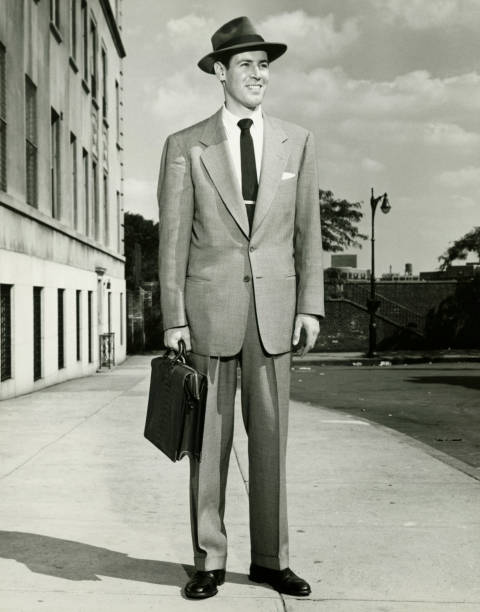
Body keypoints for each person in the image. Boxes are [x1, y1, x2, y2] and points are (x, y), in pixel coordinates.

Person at [157, 16, 324, 600]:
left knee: (272, 440)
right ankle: (209, 559)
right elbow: (173, 239)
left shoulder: (296, 141)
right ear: (220, 73)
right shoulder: (186, 145)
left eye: (265, 65)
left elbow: (309, 232)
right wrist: (174, 317)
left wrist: (311, 306)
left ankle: (271, 560)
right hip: (208, 313)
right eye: (247, 65)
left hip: (277, 315)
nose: (260, 75)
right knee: (209, 444)